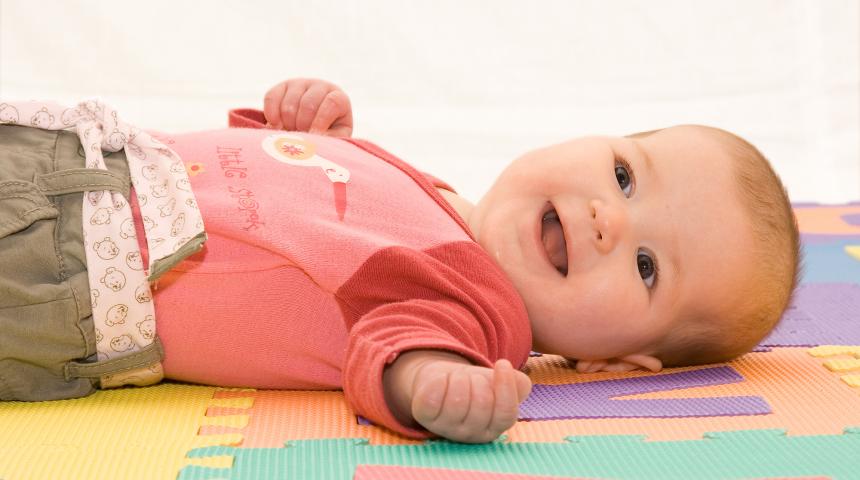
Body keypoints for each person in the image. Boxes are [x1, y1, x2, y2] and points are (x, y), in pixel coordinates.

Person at [0, 78, 800, 444]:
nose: (605, 218)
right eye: (624, 176)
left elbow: (392, 350)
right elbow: (289, 182)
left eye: (648, 265)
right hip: (75, 163)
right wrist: (308, 127)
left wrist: (434, 387)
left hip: (64, 272)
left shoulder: (476, 314)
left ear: (619, 366)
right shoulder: (436, 191)